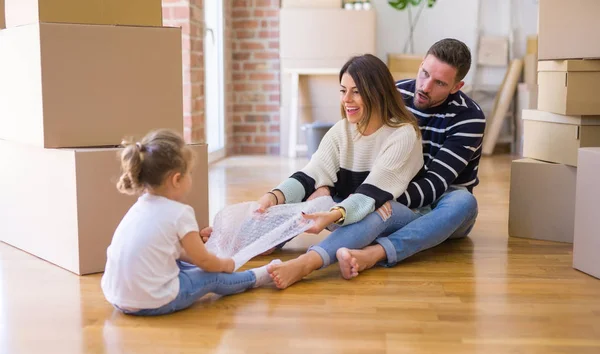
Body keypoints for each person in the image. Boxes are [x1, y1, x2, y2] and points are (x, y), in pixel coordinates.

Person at [260, 53, 425, 289]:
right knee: (313, 191)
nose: (347, 99)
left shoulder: (403, 134)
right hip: (350, 209)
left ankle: (307, 263)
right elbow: (312, 173)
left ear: (378, 93)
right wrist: (274, 196)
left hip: (400, 214)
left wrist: (332, 213)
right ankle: (261, 238)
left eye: (356, 91)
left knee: (375, 208)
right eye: (343, 90)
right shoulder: (342, 131)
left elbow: (372, 193)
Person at [327, 38, 486, 279]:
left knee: (463, 202)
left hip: (438, 202)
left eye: (440, 83)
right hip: (391, 192)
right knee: (325, 189)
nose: (425, 86)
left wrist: (374, 199)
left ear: (456, 86)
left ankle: (377, 252)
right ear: (421, 63)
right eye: (424, 73)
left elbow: (435, 184)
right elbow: (357, 145)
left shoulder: (469, 117)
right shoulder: (395, 94)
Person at [100, 129, 275, 316]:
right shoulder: (180, 213)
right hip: (152, 302)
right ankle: (256, 276)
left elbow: (179, 253)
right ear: (176, 179)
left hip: (117, 297)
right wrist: (226, 265)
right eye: (189, 173)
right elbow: (205, 262)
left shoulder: (139, 207)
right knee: (212, 276)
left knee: (182, 262)